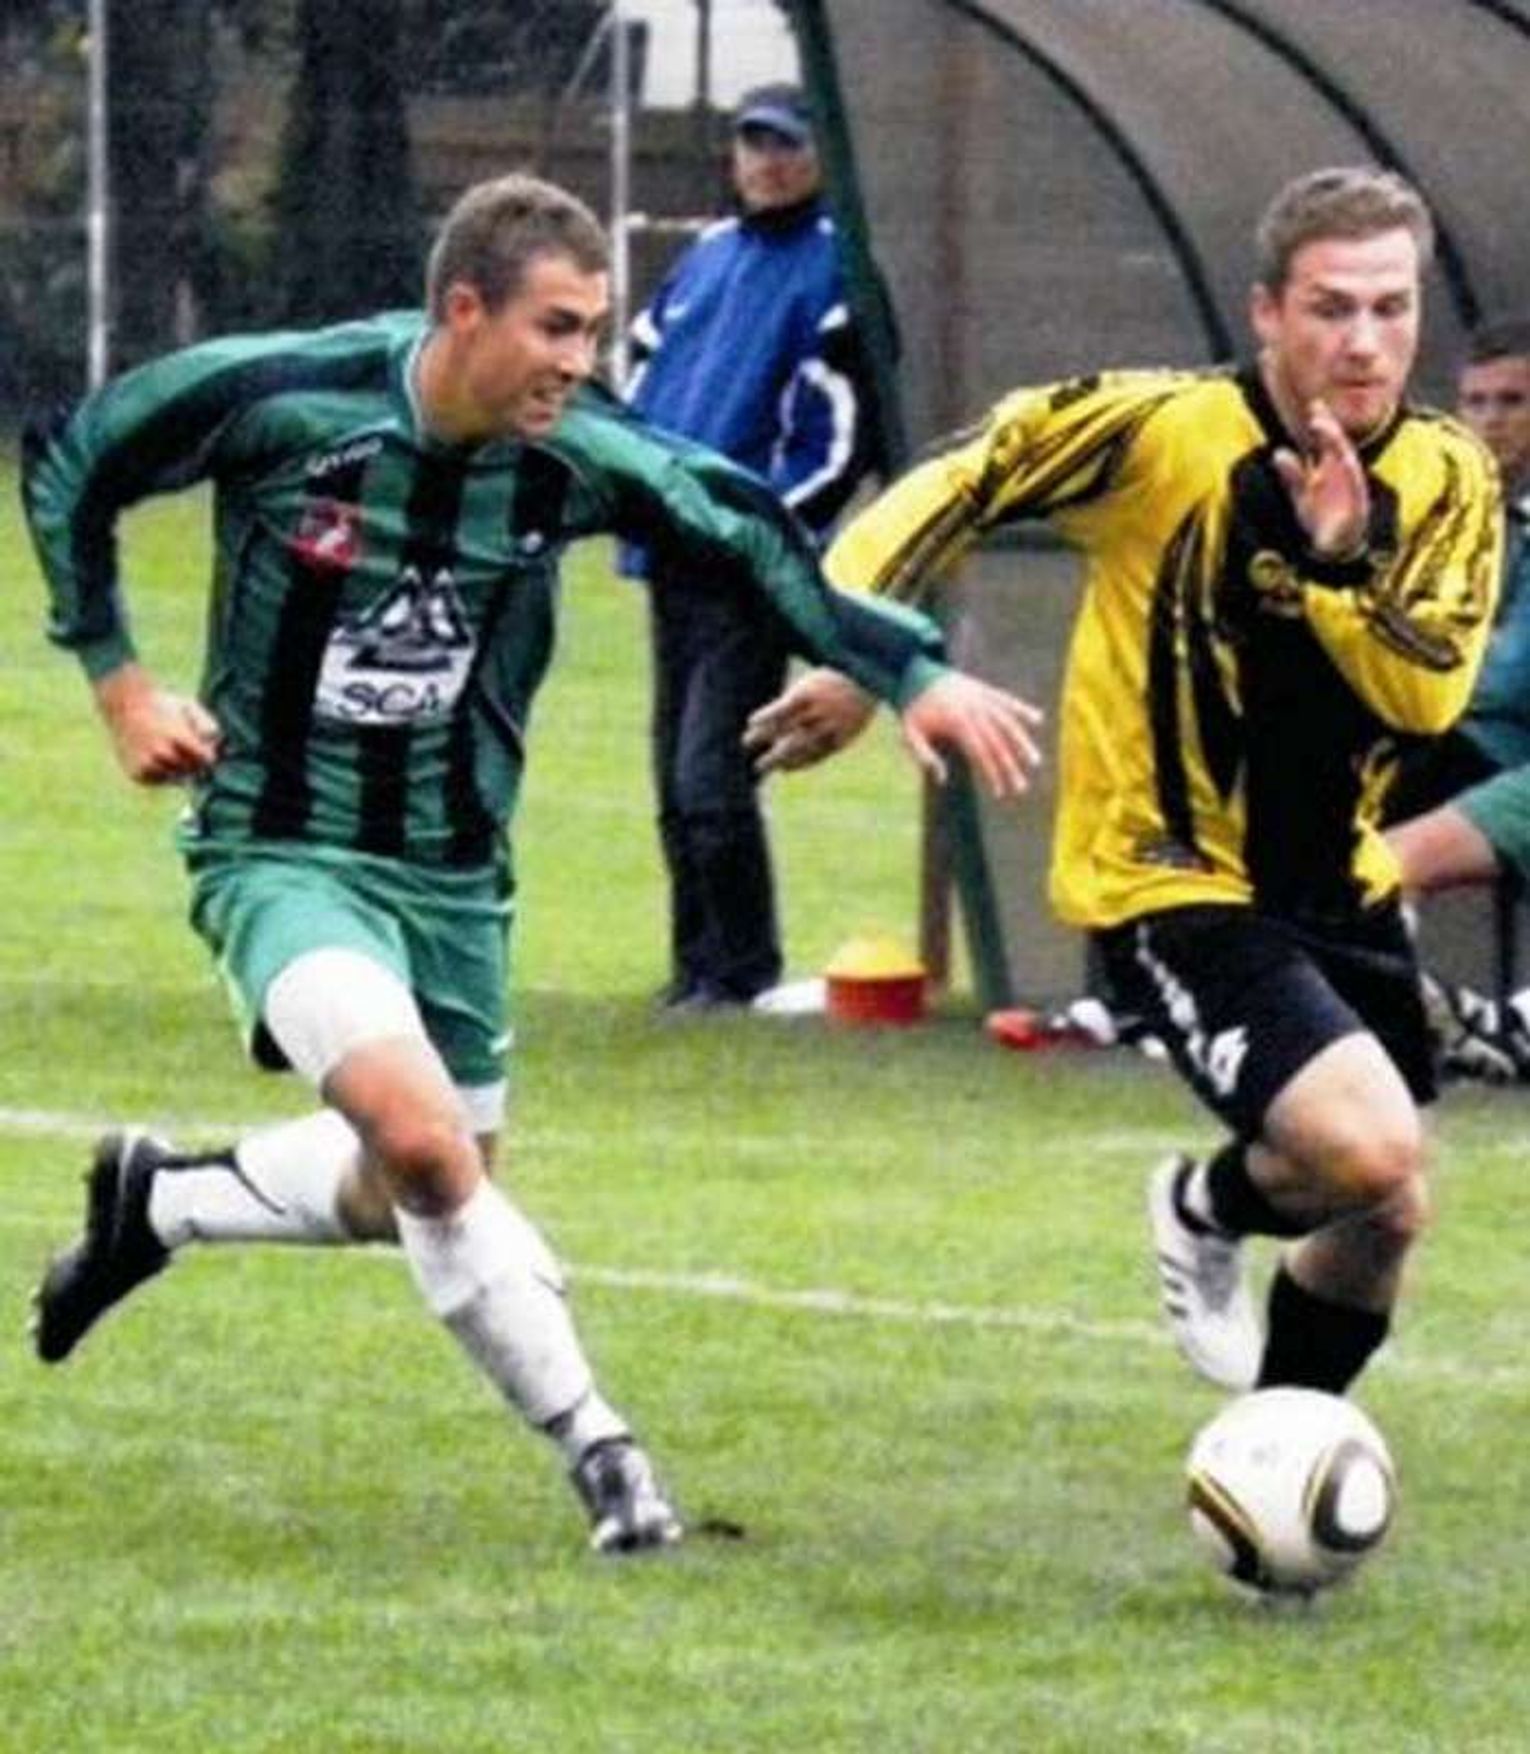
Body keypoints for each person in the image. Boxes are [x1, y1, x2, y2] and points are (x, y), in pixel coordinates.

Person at [20, 173, 1040, 1555]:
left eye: (594, 331)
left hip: (455, 874)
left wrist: (906, 672)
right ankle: (609, 1458)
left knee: (406, 1182)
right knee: (430, 1151)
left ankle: (166, 1198)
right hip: (282, 849)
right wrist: (121, 684)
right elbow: (78, 456)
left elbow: (744, 528)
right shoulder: (289, 397)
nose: (579, 360)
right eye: (556, 327)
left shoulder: (576, 456)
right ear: (464, 310)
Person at [745, 167, 1501, 1399]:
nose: (1365, 342)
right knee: (1366, 1150)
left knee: (1387, 1204)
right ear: (1266, 312)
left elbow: (1423, 697)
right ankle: (1206, 1204)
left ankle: (1278, 1441)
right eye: (1330, 308)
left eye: (1391, 307)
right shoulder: (1157, 431)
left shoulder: (1449, 476)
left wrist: (1336, 563)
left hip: (1339, 879)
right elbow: (957, 478)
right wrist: (868, 653)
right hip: (1170, 874)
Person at [622, 84, 883, 1010]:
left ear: (820, 157)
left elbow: (839, 439)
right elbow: (638, 384)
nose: (767, 162)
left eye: (786, 145)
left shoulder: (835, 268)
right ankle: (695, 968)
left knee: (712, 773)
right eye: (753, 143)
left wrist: (760, 531)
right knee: (672, 777)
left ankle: (738, 971)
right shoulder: (707, 257)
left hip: (746, 567)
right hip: (669, 554)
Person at [1381, 316, 1530, 823]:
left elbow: (1508, 680)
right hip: (1442, 734)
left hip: (1501, 752)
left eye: (1512, 402)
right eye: (1475, 403)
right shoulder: (1456, 513)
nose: (1491, 421)